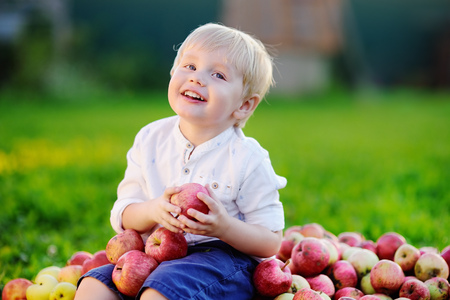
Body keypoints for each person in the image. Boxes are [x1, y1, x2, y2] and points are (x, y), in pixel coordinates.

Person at [75, 23, 287, 300]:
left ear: (244, 105)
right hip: (154, 252)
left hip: (220, 260)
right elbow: (124, 213)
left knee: (158, 292)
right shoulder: (150, 138)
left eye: (218, 75)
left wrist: (224, 227)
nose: (198, 79)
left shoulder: (248, 159)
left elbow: (271, 241)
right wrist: (152, 210)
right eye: (189, 66)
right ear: (173, 73)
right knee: (93, 287)